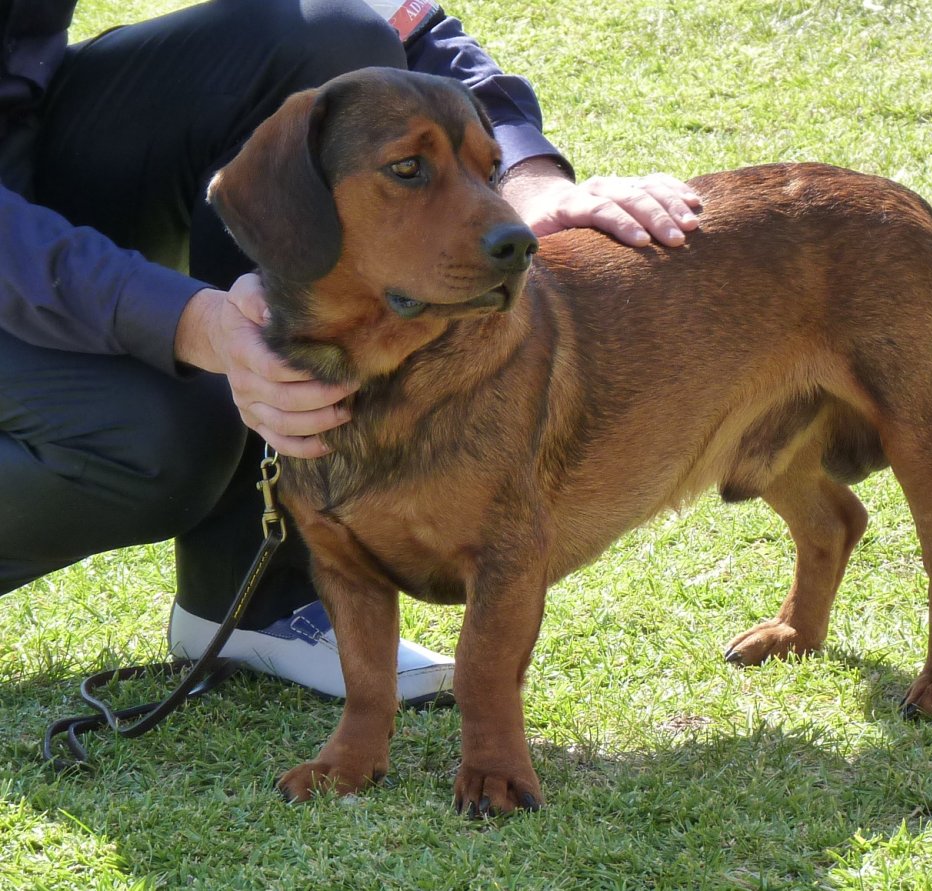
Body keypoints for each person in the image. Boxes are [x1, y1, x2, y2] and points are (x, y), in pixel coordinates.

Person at [0, 0, 701, 704]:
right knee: (160, 437)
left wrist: (520, 168)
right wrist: (190, 321)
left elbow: (400, 17)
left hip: (23, 120)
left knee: (330, 32)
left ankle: (253, 601)